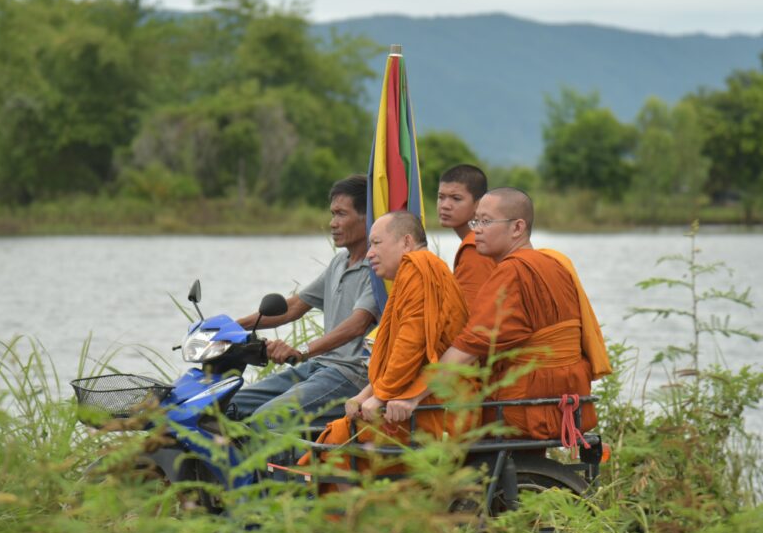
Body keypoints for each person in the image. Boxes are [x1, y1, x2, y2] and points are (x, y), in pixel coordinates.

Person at [386, 188, 612, 440]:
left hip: (526, 398)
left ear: (517, 227)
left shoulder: (513, 272)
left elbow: (468, 348)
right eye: (476, 221)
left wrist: (412, 396)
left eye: (485, 221)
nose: (477, 229)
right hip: (567, 391)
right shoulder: (555, 263)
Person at [302, 210, 469, 472]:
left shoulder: (418, 268)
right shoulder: (412, 273)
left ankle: (347, 512)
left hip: (430, 404)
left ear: (405, 242)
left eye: (377, 243)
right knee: (336, 435)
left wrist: (380, 397)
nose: (369, 254)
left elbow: (410, 346)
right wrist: (366, 393)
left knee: (336, 444)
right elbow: (398, 350)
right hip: (412, 397)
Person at [230, 175, 379, 424]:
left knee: (265, 419)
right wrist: (234, 327)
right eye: (332, 214)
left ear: (367, 219)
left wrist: (302, 351)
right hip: (319, 367)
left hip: (349, 375)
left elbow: (357, 324)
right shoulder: (339, 262)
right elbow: (293, 307)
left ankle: (268, 463)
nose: (332, 223)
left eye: (341, 214)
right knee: (229, 405)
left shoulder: (377, 269)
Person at [436, 164, 496, 308]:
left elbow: (470, 313)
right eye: (441, 197)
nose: (445, 205)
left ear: (478, 204)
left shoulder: (477, 247)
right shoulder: (483, 237)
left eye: (456, 198)